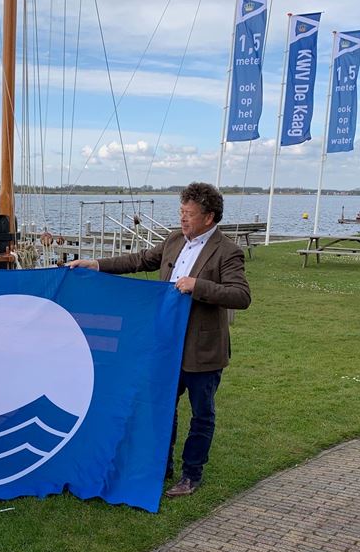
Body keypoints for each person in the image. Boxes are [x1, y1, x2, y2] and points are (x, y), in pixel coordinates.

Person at [68, 182, 250, 498]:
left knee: (201, 414)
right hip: (166, 346)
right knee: (161, 408)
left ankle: (191, 474)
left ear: (208, 217)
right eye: (181, 212)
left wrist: (199, 286)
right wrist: (95, 265)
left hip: (201, 351)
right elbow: (139, 260)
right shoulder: (174, 240)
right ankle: (159, 465)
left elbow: (241, 296)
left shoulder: (227, 251)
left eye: (189, 214)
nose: (182, 219)